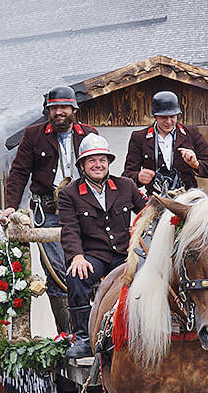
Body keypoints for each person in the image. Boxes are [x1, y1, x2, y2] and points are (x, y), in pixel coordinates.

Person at [3, 85, 98, 332]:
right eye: (54, 108)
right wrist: (10, 206)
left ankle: (94, 332)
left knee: (92, 268)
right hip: (49, 213)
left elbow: (102, 170)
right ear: (48, 110)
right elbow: (19, 173)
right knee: (58, 272)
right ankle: (68, 335)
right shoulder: (33, 135)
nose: (59, 112)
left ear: (74, 110)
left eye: (64, 107)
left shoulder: (89, 134)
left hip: (84, 213)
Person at [57, 134, 148, 357]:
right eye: (92, 161)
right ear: (82, 165)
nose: (98, 165)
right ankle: (84, 339)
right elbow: (69, 229)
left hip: (124, 255)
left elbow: (147, 212)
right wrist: (76, 256)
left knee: (150, 275)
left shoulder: (126, 185)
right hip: (93, 256)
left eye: (102, 160)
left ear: (108, 163)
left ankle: (146, 332)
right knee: (76, 278)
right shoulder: (69, 194)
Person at [123, 91, 208, 194]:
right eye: (163, 117)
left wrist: (196, 164)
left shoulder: (191, 133)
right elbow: (127, 176)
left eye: (172, 116)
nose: (168, 121)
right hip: (156, 198)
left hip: (188, 198)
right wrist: (138, 177)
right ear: (155, 116)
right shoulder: (139, 137)